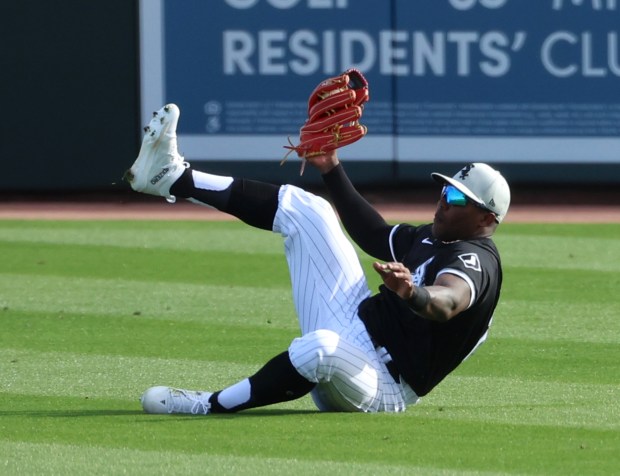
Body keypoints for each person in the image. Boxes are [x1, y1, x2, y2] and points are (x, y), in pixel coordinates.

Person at [125, 103, 510, 415]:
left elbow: (448, 301)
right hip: (355, 326)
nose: (444, 201)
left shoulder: (475, 259)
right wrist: (331, 169)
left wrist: (413, 294)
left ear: (486, 218)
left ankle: (207, 404)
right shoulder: (433, 235)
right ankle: (173, 177)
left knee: (320, 347)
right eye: (446, 191)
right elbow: (375, 234)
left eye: (458, 199)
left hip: (379, 384)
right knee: (307, 210)